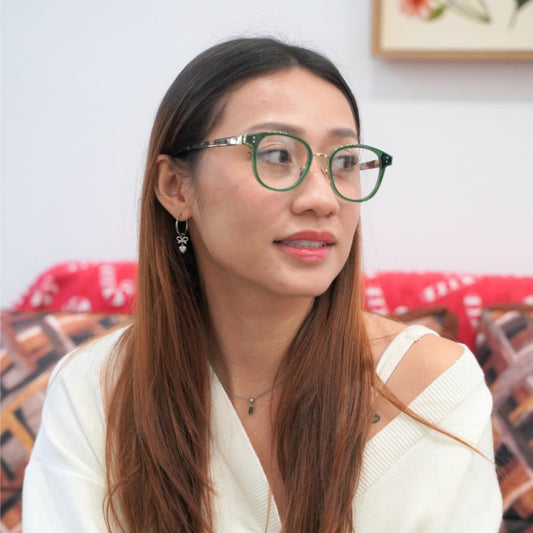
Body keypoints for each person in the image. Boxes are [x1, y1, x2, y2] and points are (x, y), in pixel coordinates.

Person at [23, 37, 502, 532]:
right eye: (275, 154)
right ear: (175, 186)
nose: (323, 200)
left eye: (344, 163)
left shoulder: (434, 387)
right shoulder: (94, 389)